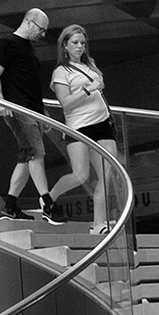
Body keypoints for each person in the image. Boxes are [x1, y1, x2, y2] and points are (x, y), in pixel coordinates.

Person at [40, 24, 120, 234]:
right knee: (81, 174)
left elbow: (98, 88)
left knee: (106, 173)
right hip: (79, 127)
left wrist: (96, 85)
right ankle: (49, 198)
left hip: (102, 122)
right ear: (65, 45)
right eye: (75, 43)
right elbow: (65, 103)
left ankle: (99, 223)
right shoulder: (61, 71)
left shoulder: (90, 65)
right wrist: (88, 88)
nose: (79, 47)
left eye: (83, 43)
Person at [0, 8, 64, 223]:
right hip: (17, 109)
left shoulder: (28, 49)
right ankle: (48, 204)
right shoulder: (7, 43)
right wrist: (0, 102)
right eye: (41, 29)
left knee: (26, 156)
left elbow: (29, 85)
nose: (43, 34)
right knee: (36, 152)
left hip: (32, 109)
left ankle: (9, 206)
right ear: (29, 22)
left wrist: (43, 113)